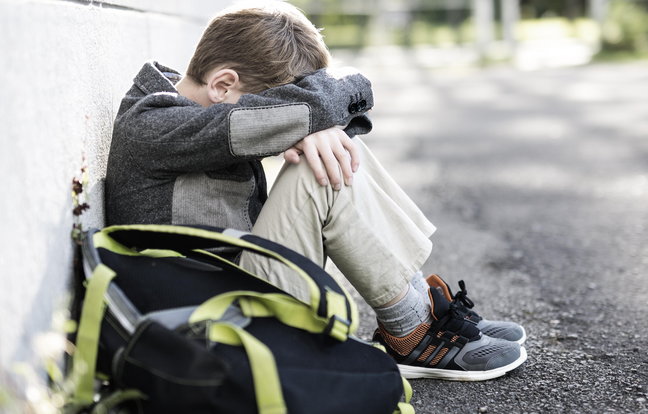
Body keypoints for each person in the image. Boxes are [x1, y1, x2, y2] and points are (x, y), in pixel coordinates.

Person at [105, 1, 526, 381]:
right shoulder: (155, 127)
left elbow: (329, 104)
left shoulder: (202, 103)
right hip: (210, 320)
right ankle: (413, 333)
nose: (278, 118)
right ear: (223, 85)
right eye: (271, 106)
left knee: (334, 146)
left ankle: (422, 309)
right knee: (318, 166)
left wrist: (315, 125)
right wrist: (311, 122)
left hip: (233, 285)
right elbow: (321, 106)